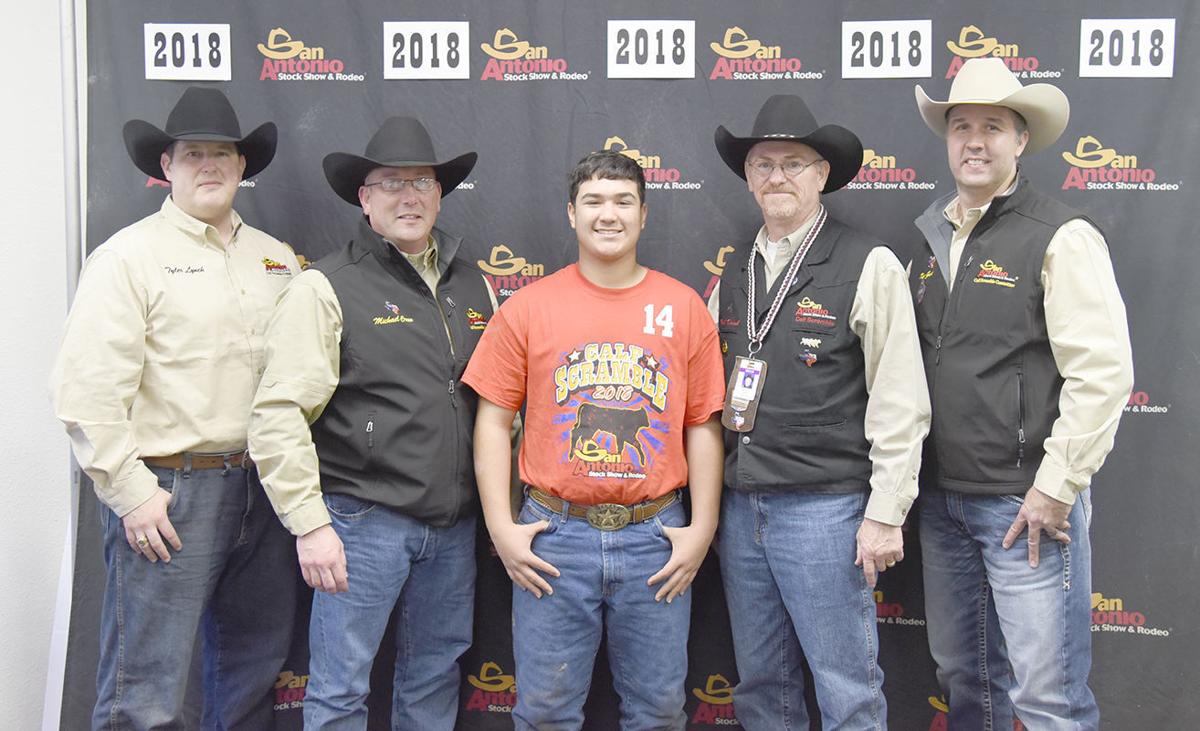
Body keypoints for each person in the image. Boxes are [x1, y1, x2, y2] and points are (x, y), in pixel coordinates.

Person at [51, 86, 300, 729]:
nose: (209, 165)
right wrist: (132, 493)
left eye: (223, 153)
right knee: (146, 690)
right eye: (193, 154)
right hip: (171, 491)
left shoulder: (276, 261)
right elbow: (85, 390)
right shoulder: (127, 258)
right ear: (165, 166)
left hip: (266, 489)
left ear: (244, 166)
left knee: (250, 670)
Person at [463, 149, 726, 729]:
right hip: (554, 536)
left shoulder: (683, 307)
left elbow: (702, 423)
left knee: (658, 712)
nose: (609, 214)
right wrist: (501, 526)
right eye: (594, 201)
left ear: (644, 214)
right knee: (546, 711)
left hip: (656, 537)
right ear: (571, 214)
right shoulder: (529, 307)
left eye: (623, 201)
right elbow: (492, 420)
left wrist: (701, 527)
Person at [248, 116, 494, 729]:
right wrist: (310, 525)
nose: (409, 197)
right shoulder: (325, 286)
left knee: (434, 678)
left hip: (454, 525)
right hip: (362, 522)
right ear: (364, 197)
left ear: (440, 193)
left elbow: (495, 407)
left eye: (422, 183)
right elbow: (278, 416)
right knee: (338, 689)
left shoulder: (473, 283)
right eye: (391, 184)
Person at [910, 57, 1134, 730]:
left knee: (1048, 697)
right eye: (962, 126)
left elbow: (1103, 372)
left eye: (993, 126)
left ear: (1020, 140)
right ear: (947, 139)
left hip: (1025, 505)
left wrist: (1056, 487)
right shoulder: (933, 236)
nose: (975, 140)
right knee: (966, 679)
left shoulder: (1060, 235)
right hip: (943, 502)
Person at [708, 94, 930, 729]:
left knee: (847, 688)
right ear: (747, 176)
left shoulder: (868, 261)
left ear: (822, 174)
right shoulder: (736, 268)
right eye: (763, 164)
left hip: (826, 512)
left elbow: (900, 397)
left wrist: (886, 512)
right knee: (760, 687)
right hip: (742, 505)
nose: (777, 176)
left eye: (793, 163)